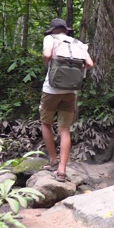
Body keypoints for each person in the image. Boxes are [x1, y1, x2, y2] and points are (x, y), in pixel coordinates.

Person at [39, 18, 94, 182]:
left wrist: (47, 64)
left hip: (51, 89)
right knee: (65, 129)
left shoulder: (50, 39)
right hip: (71, 91)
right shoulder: (78, 43)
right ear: (65, 30)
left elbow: (47, 55)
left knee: (46, 123)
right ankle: (62, 170)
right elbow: (90, 64)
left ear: (53, 30)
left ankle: (53, 160)